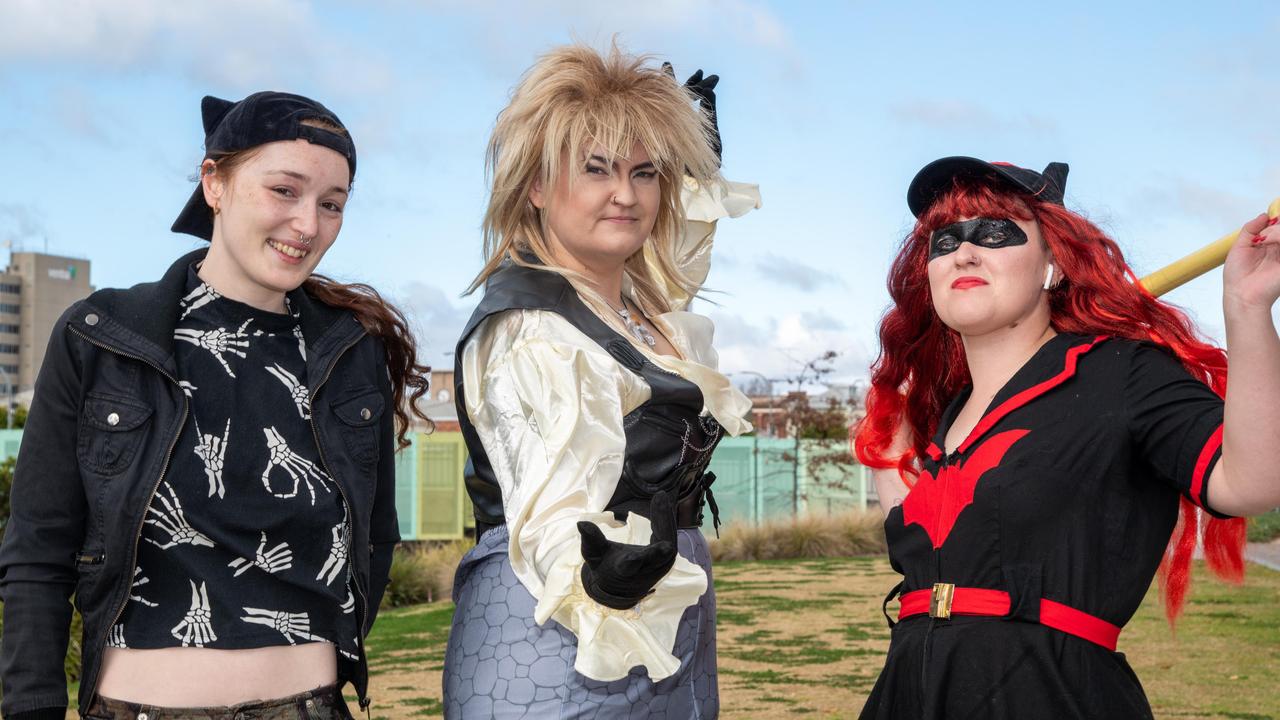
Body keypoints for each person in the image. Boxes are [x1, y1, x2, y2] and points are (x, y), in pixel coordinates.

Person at [0, 91, 430, 720]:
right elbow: (38, 549)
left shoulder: (349, 351)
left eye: (332, 204)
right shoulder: (100, 337)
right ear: (215, 183)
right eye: (285, 190)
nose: (309, 225)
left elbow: (374, 539)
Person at [853, 156, 1278, 719]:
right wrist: (887, 435)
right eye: (945, 239)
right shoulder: (943, 420)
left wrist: (1247, 310)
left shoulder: (1122, 374)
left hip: (1049, 695)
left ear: (1053, 260)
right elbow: (931, 562)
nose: (964, 252)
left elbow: (1252, 482)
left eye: (995, 231)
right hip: (909, 695)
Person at [442, 44, 759, 719]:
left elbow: (678, 256)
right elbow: (548, 502)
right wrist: (595, 579)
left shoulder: (632, 308)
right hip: (560, 624)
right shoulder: (532, 328)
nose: (626, 193)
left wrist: (695, 159)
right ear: (534, 185)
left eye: (646, 173)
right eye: (597, 170)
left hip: (658, 607)